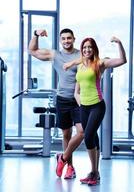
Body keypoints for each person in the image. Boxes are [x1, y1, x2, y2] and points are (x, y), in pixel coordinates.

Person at [63, 36, 127, 185]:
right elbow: (76, 91)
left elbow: (122, 60)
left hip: (97, 106)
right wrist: (80, 104)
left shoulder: (100, 63)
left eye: (89, 47)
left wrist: (119, 43)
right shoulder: (80, 66)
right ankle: (95, 174)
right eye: (84, 47)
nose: (87, 50)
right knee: (94, 138)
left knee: (89, 136)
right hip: (84, 107)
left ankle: (93, 172)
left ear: (94, 49)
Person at [28, 28, 84, 179]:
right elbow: (32, 50)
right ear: (60, 40)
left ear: (74, 39)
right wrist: (35, 35)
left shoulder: (80, 54)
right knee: (66, 134)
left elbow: (93, 62)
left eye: (69, 38)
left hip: (79, 99)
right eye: (63, 38)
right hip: (62, 99)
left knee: (82, 131)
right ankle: (70, 167)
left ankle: (63, 158)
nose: (66, 41)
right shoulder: (55, 55)